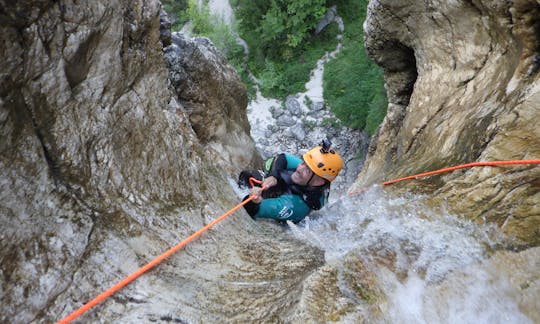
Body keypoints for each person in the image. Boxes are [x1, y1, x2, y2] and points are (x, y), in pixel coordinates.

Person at [238, 139, 343, 223]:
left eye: (307, 170)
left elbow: (251, 210)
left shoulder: (295, 205)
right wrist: (274, 176)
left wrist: (254, 200)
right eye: (303, 163)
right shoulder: (314, 175)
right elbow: (283, 158)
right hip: (291, 189)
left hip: (289, 203)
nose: (299, 168)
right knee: (250, 175)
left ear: (318, 182)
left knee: (249, 179)